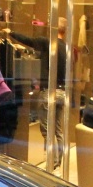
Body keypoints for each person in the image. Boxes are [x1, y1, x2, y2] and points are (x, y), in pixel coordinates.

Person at [9, 18, 71, 170]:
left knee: (46, 129)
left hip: (49, 93)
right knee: (58, 129)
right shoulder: (66, 47)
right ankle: (59, 160)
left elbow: (28, 40)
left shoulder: (47, 43)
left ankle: (53, 161)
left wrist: (10, 32)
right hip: (62, 92)